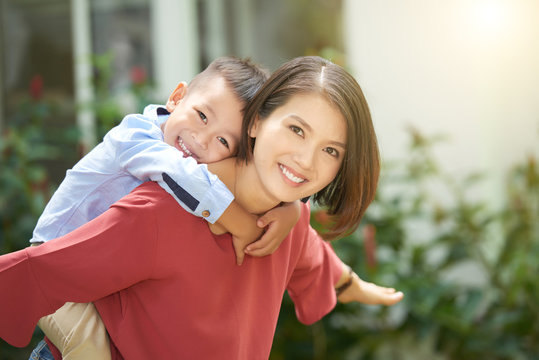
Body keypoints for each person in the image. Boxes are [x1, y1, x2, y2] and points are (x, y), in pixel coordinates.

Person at [0, 56, 404, 359]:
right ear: (257, 123)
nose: (306, 160)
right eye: (296, 129)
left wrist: (354, 286)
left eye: (330, 150)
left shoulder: (287, 219)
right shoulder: (162, 210)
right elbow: (42, 269)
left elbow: (314, 256)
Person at [26, 56, 301, 360]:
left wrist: (292, 208)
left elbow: (253, 180)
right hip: (53, 267)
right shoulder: (135, 138)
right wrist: (239, 222)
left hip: (98, 279)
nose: (201, 139)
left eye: (223, 141)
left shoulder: (197, 166)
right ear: (176, 97)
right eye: (202, 116)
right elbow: (180, 174)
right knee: (90, 348)